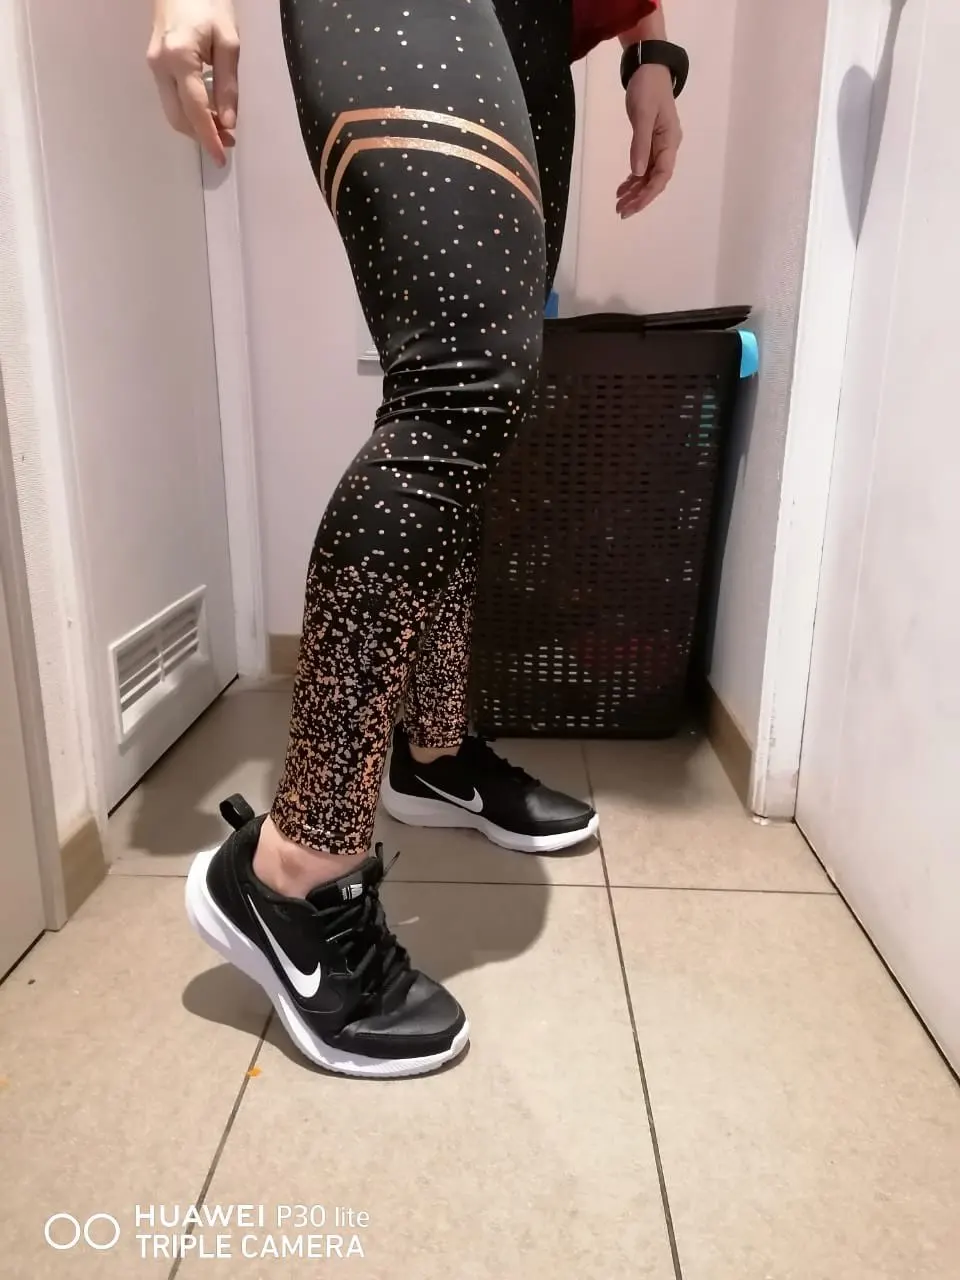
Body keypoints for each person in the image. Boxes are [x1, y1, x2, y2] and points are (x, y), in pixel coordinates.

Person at [149, 0, 684, 1079]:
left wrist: (649, 43)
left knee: (480, 406)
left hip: (541, 23)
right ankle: (293, 866)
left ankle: (431, 754)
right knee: (460, 385)